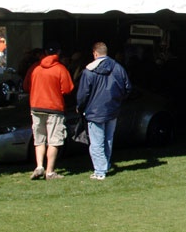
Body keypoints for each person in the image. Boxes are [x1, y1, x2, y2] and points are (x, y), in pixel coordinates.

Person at [75, 41, 132, 180]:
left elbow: (83, 94)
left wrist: (79, 106)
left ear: (95, 53)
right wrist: (118, 100)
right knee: (108, 140)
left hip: (94, 111)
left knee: (96, 142)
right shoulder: (118, 68)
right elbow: (128, 87)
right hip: (112, 109)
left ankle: (100, 171)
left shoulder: (89, 70)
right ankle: (105, 165)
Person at [23, 44, 74, 180]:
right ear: (58, 53)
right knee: (54, 140)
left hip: (36, 106)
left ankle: (39, 166)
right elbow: (67, 89)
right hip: (54, 107)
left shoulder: (35, 68)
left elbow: (26, 86)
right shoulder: (60, 69)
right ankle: (50, 171)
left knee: (39, 138)